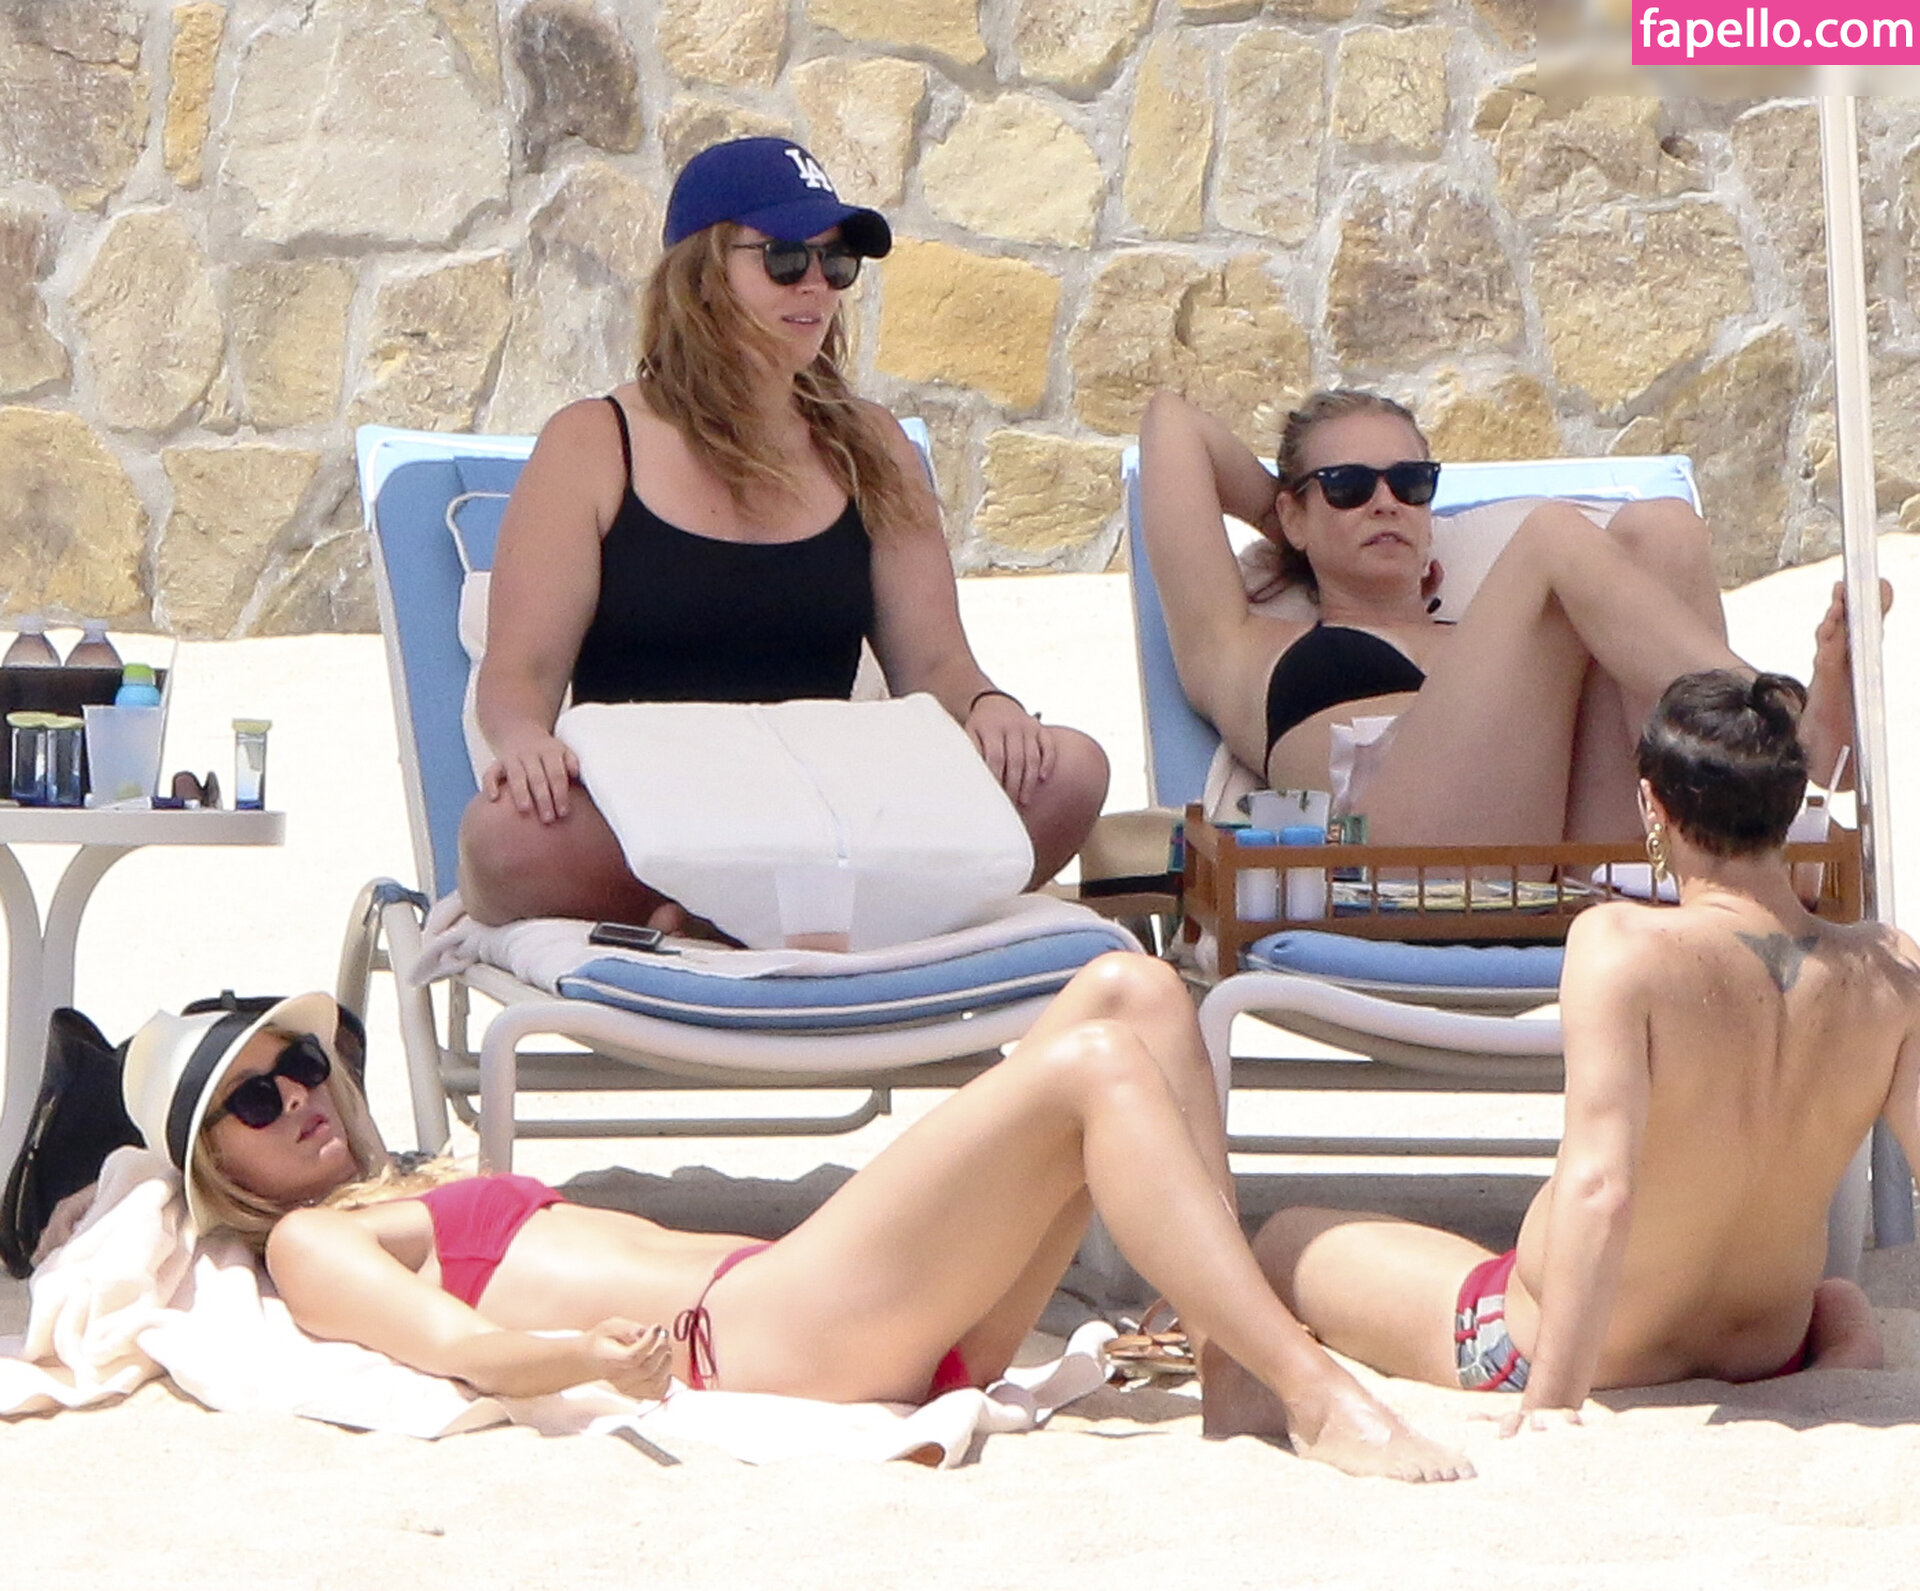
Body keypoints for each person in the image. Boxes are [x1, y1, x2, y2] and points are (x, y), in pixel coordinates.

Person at [120, 955, 1471, 1481]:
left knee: (1140, 992)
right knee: (1098, 1062)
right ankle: (1313, 1390)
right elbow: (455, 1349)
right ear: (216, 1167)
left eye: (304, 1064)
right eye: (254, 1100)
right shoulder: (305, 1242)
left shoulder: (404, 1183)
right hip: (746, 1337)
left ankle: (1234, 1374)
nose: (300, 1096)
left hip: (821, 1308)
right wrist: (588, 1358)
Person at [1203, 670, 1920, 1436]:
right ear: (1789, 802)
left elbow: (1601, 1186)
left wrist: (1551, 1400)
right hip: (1769, 1352)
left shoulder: (1625, 947)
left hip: (1575, 1350)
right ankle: (1845, 1355)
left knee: (1288, 1238)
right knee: (1839, 1297)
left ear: (1654, 806)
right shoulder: (1891, 968)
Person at [458, 137, 1108, 927]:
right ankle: (792, 916)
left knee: (1070, 769)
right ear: (700, 274)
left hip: (828, 808)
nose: (816, 285)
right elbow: (521, 670)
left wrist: (988, 704)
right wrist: (524, 739)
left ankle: (724, 920)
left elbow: (936, 661)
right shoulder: (594, 442)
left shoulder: (870, 445)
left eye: (837, 264)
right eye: (786, 257)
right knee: (505, 839)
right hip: (655, 809)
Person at [1138, 388, 1863, 844]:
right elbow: (1171, 424)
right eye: (1349, 485)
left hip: (1572, 855)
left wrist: (1334, 513)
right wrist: (1295, 527)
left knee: (1663, 528)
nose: (1385, 502)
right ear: (1294, 511)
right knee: (1550, 537)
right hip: (1404, 855)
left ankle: (1743, 796)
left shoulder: (1503, 636)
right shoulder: (1243, 645)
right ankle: (1786, 726)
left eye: (1408, 484)